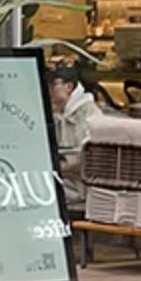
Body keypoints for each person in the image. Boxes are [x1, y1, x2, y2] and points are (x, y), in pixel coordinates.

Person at [48, 61, 98, 204]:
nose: (49, 89)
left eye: (53, 84)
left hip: (80, 189)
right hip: (62, 184)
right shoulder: (57, 113)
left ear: (69, 87)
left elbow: (92, 159)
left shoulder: (89, 114)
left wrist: (60, 168)